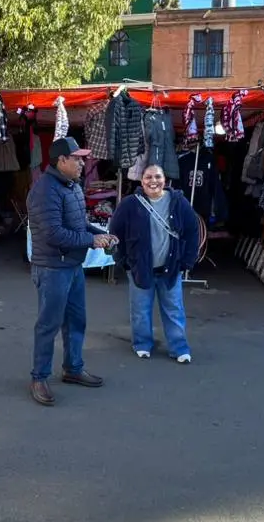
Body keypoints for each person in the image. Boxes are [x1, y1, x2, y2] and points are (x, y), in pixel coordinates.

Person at [25, 136, 115, 406]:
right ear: (61, 160)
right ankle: (39, 377)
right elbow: (54, 234)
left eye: (82, 157)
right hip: (52, 268)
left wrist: (103, 234)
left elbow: (79, 223)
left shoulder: (71, 185)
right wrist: (92, 241)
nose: (82, 162)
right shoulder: (44, 190)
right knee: (48, 325)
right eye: (77, 158)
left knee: (76, 321)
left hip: (72, 266)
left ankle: (73, 369)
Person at [109, 164, 201, 363]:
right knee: (140, 310)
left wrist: (186, 261)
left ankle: (179, 348)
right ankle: (142, 343)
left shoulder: (178, 202)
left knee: (174, 309)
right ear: (141, 181)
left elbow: (192, 231)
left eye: (158, 176)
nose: (154, 181)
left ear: (165, 180)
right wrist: (123, 261)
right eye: (149, 177)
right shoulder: (129, 204)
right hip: (140, 269)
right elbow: (115, 232)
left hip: (170, 268)